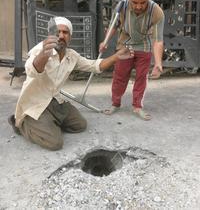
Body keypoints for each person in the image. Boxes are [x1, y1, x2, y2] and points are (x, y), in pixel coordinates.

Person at [8, 16, 133, 150]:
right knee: (55, 143)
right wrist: (45, 54)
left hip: (55, 100)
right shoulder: (40, 50)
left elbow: (94, 66)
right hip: (35, 103)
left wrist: (116, 57)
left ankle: (48, 123)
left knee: (80, 125)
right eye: (58, 32)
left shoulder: (71, 56)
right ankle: (21, 125)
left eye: (65, 32)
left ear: (70, 37)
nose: (61, 36)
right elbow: (32, 70)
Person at [99, 0, 165, 120]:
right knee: (120, 76)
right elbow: (113, 26)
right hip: (124, 46)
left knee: (141, 77)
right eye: (135, 2)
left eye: (143, 3)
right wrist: (105, 42)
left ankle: (137, 106)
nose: (138, 6)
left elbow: (158, 39)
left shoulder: (156, 11)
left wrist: (158, 63)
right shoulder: (122, 5)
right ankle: (115, 103)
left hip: (144, 46)